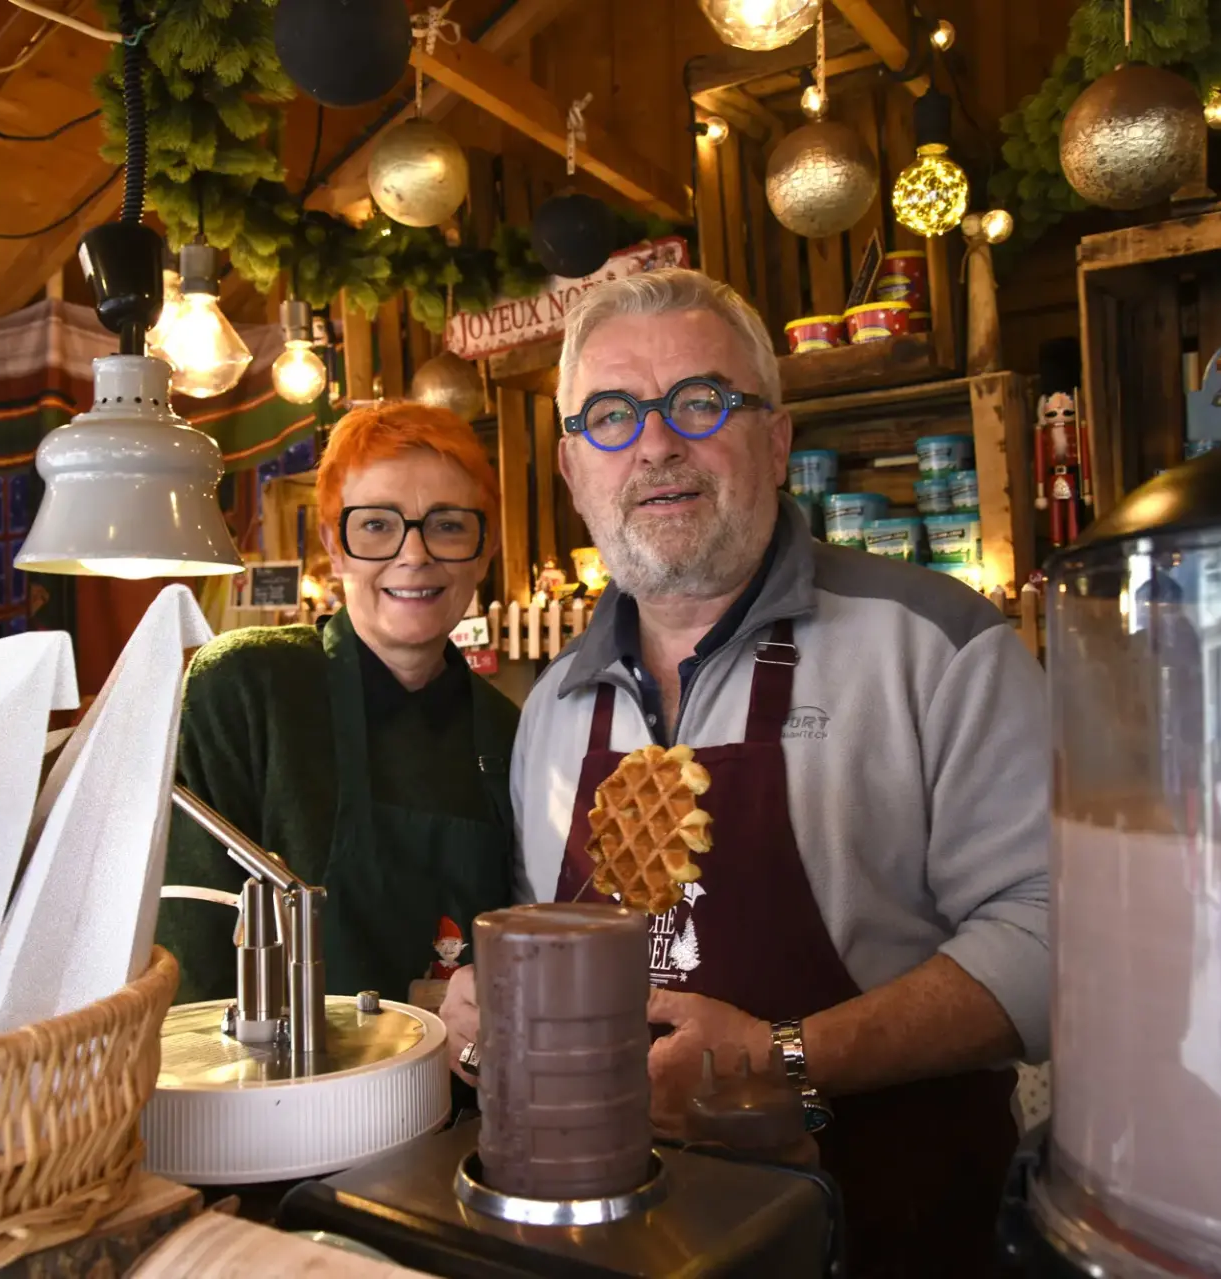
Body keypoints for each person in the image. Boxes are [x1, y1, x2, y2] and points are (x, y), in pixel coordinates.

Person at [441, 269, 1049, 1277]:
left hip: (893, 1232)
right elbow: (539, 923)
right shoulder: (550, 706)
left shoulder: (939, 646)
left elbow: (1052, 939)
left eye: (699, 401)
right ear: (571, 467)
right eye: (611, 415)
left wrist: (782, 1059)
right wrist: (487, 1009)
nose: (656, 443)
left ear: (776, 438)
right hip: (618, 1241)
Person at [158, 402, 519, 1007]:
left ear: (485, 550)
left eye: (449, 525)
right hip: (268, 1092)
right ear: (335, 544)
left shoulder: (510, 736)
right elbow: (187, 965)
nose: (414, 555)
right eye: (376, 525)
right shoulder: (245, 689)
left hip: (461, 1098)